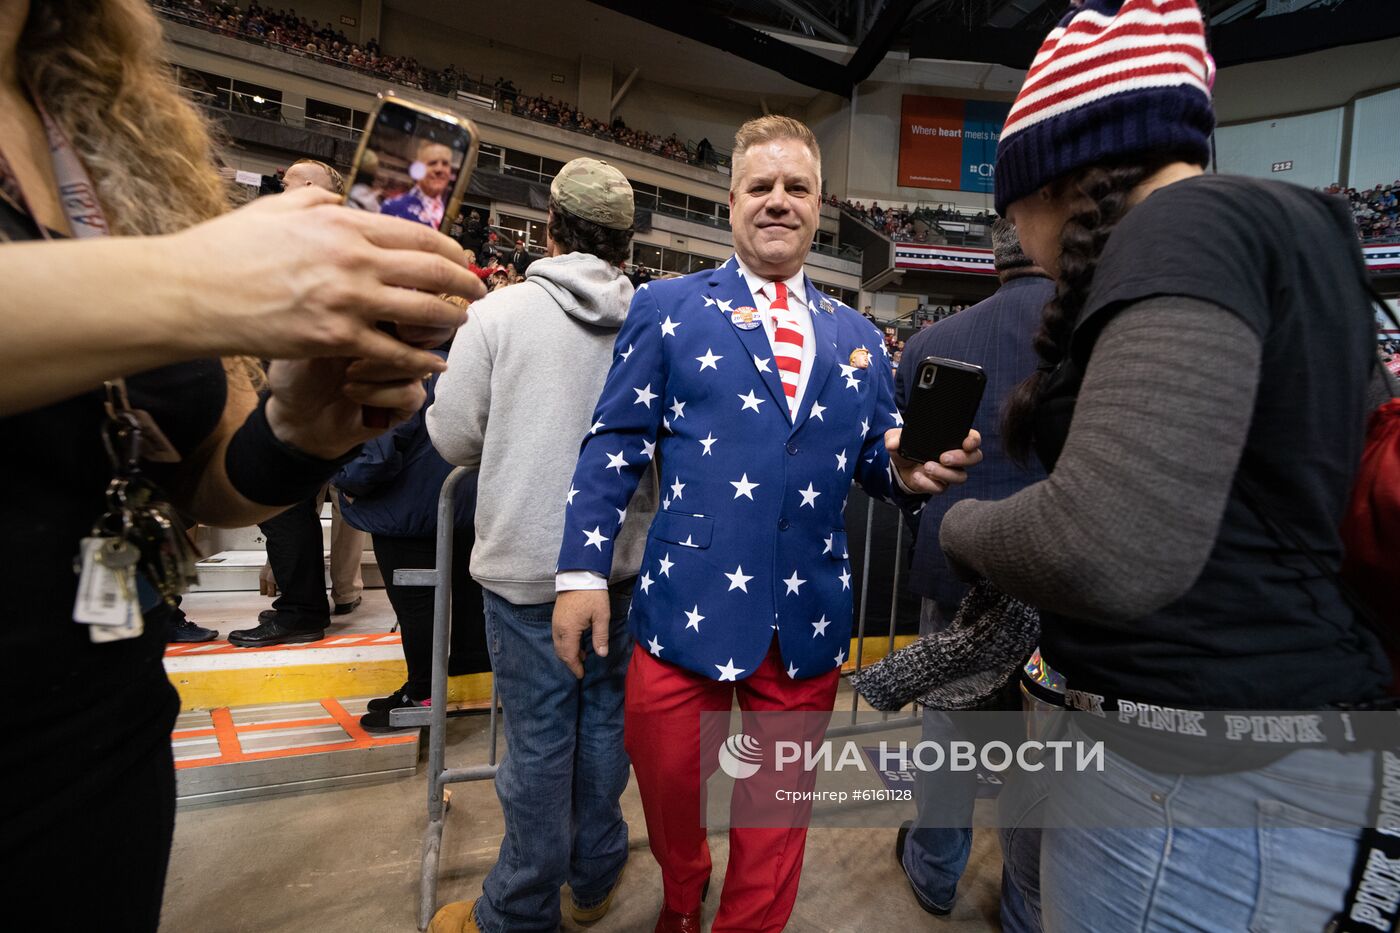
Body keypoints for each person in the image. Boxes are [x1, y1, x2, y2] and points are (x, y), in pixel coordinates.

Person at [0, 0, 483, 927]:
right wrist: (201, 282)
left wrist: (299, 428)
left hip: (103, 746)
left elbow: (209, 483)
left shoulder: (99, 126)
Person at [938, 1, 1393, 929]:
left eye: (1010, 206)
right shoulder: (1295, 228)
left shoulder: (1180, 223)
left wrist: (960, 529)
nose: (1016, 237)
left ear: (1049, 182)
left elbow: (1111, 543)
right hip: (1256, 761)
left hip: (1186, 787)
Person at [551, 116, 980, 933]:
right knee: (670, 785)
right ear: (733, 200)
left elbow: (877, 461)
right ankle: (683, 891)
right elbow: (612, 444)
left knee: (776, 815)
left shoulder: (858, 337)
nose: (778, 201)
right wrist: (578, 574)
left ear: (820, 206)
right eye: (762, 186)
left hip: (807, 616)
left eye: (797, 188)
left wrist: (910, 470)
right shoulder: (668, 308)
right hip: (684, 606)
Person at [425, 159, 656, 933]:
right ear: (626, 241)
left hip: (528, 573)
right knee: (603, 734)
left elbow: (453, 434)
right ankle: (593, 877)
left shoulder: (499, 315)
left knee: (536, 748)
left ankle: (517, 909)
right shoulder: (653, 319)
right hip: (621, 568)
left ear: (550, 227)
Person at [891, 219, 1051, 924]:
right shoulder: (1094, 334)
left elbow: (910, 464)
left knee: (950, 733)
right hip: (1055, 577)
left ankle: (934, 869)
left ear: (994, 261)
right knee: (1046, 753)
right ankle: (1024, 901)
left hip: (957, 570)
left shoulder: (929, 343)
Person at [233, 156, 370, 648]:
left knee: (282, 502)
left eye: (286, 181)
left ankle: (302, 609)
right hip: (302, 382)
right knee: (288, 505)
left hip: (295, 384)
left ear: (309, 186)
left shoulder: (311, 236)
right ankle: (303, 604)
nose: (278, 186)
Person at [335, 327, 489, 732]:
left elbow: (373, 455)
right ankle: (464, 675)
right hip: (466, 507)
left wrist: (344, 481)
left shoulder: (395, 373)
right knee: (467, 595)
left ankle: (422, 694)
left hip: (406, 514)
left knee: (418, 609)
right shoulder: (473, 368)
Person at [381, 139, 455, 228]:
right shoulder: (393, 207)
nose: (439, 169)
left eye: (445, 164)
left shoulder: (450, 213)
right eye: (432, 163)